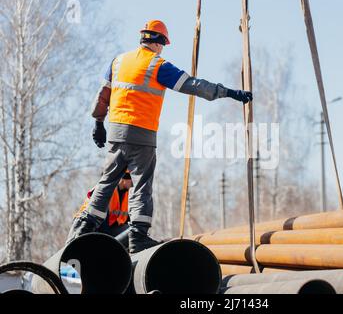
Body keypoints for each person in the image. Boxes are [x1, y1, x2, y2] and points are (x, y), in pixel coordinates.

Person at [68, 20, 253, 254]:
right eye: (163, 44)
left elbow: (103, 95)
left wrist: (98, 122)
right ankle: (138, 236)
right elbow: (193, 85)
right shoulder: (158, 65)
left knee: (107, 181)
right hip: (141, 134)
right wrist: (229, 92)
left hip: (116, 133)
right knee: (141, 185)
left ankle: (83, 229)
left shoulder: (118, 61)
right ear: (159, 43)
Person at [67, 172, 132, 244]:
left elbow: (125, 218)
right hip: (84, 224)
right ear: (124, 179)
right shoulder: (108, 190)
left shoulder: (126, 194)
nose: (133, 183)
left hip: (104, 227)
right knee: (76, 248)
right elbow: (101, 219)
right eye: (132, 180)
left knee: (131, 232)